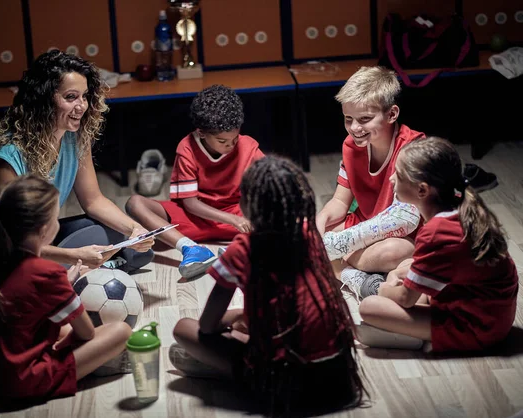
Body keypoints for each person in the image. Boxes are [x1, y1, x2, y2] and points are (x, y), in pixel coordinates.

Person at [0, 50, 154, 293]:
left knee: (124, 240)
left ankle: (75, 272)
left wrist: (134, 231)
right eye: (71, 97)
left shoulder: (75, 137)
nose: (81, 106)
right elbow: (5, 239)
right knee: (37, 287)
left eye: (84, 96)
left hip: (37, 238)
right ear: (43, 100)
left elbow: (94, 200)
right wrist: (73, 255)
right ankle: (72, 274)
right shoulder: (7, 155)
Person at [170, 156, 367, 416]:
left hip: (285, 386)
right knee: (252, 329)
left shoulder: (243, 249)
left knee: (184, 331)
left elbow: (207, 326)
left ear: (247, 205)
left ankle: (232, 375)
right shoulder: (310, 234)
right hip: (338, 379)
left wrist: (239, 315)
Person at [0, 175, 132, 399]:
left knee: (61, 327)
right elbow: (87, 333)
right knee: (120, 332)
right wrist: (66, 289)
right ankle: (91, 367)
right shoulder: (46, 272)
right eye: (56, 219)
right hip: (18, 382)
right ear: (44, 230)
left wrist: (61, 289)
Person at [357, 137, 519, 352]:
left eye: (398, 174)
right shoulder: (457, 209)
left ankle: (408, 333)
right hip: (490, 317)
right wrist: (399, 277)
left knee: (369, 306)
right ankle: (406, 323)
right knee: (407, 264)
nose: (391, 179)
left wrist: (385, 287)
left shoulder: (437, 232)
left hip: (477, 328)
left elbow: (405, 299)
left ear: (422, 190)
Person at [126, 84, 264, 279]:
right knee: (135, 204)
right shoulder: (187, 148)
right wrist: (233, 220)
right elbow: (190, 204)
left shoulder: (247, 146)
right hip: (198, 217)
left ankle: (241, 252)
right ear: (201, 133)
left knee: (291, 222)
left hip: (238, 214)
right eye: (223, 141)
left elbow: (274, 181)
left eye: (234, 139)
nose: (230, 146)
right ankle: (191, 248)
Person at [315, 66, 424, 299]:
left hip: (403, 235)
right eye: (348, 119)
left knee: (395, 251)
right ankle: (360, 279)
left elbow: (407, 219)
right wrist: (320, 221)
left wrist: (336, 244)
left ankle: (337, 263)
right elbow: (339, 202)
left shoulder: (413, 148)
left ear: (392, 114)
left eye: (365, 119)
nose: (355, 128)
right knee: (314, 230)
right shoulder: (350, 146)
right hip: (367, 226)